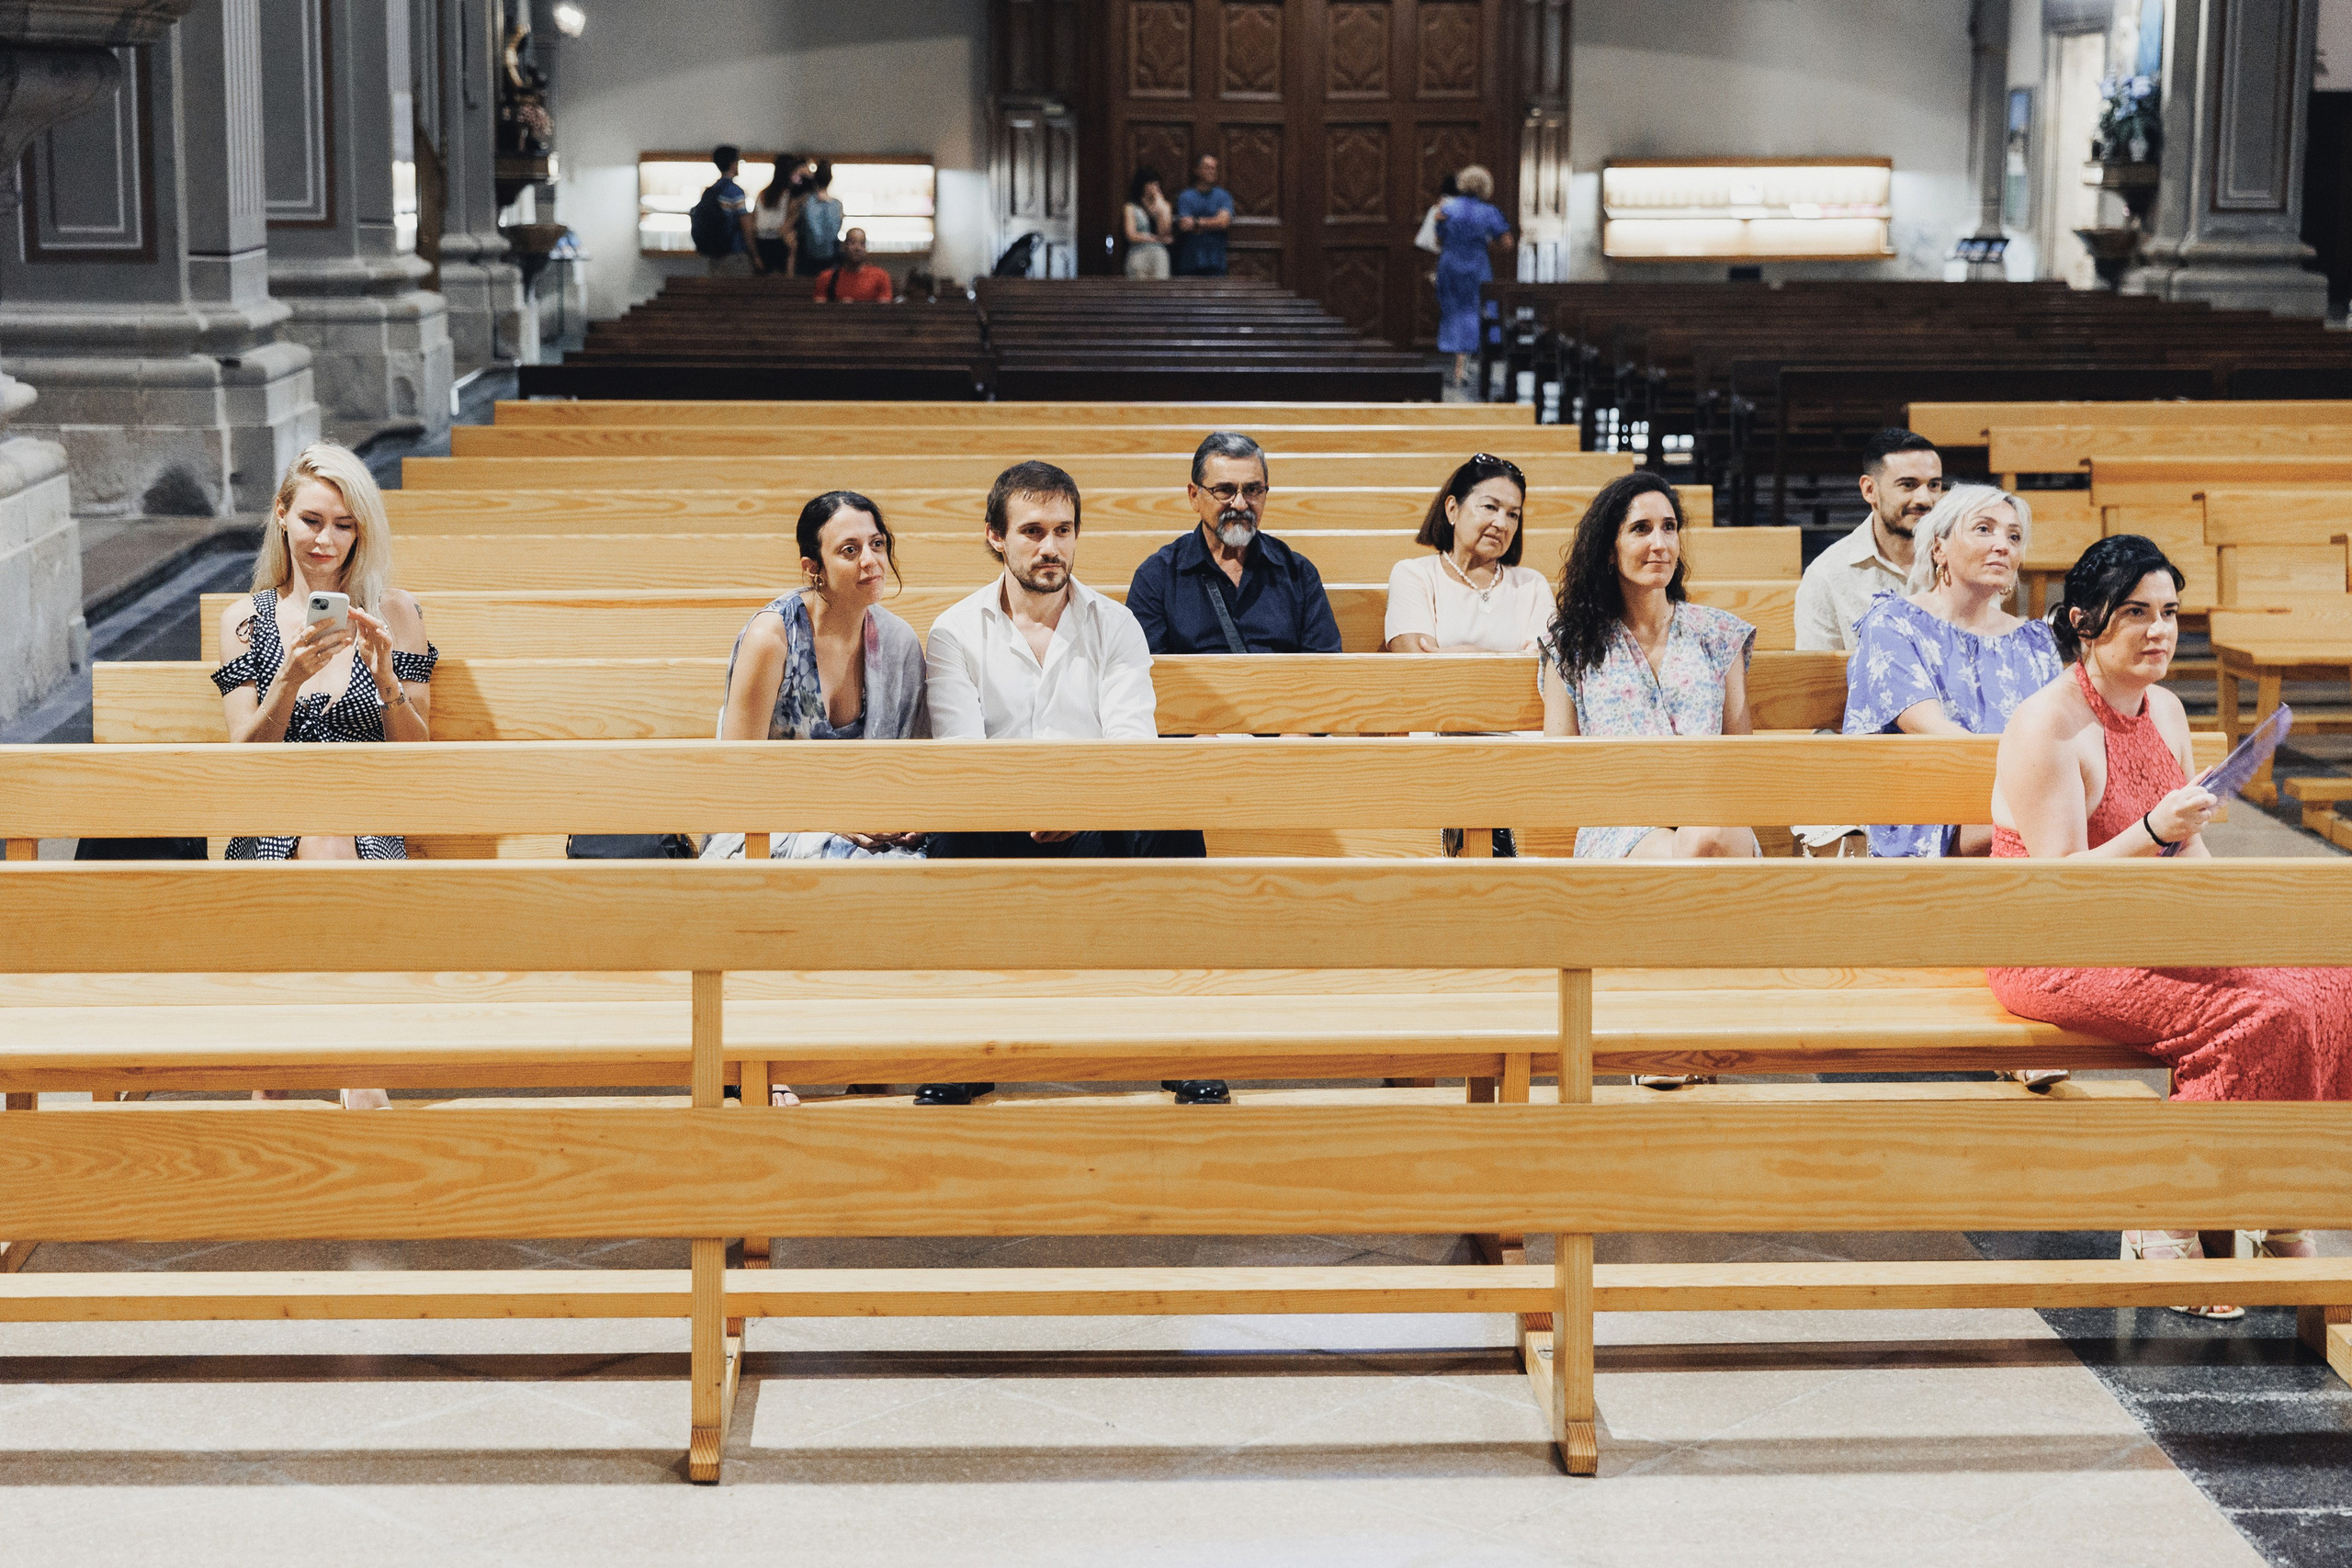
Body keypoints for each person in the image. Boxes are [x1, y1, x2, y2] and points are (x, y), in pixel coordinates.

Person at [1985, 534, 2352, 1307]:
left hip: (2154, 928)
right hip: (2055, 949)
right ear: (2084, 622)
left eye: (2169, 612)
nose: (2158, 630)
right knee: (2260, 1012)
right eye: (2135, 613)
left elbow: (2187, 850)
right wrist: (2152, 828)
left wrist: (2243, 927)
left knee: (2328, 982)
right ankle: (2167, 1209)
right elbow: (2054, 887)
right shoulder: (2045, 725)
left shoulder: (2168, 708)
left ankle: (2276, 1193)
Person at [924, 461, 1221, 1108]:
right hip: (995, 820)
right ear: (995, 536)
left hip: (1097, 811)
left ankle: (1184, 1046)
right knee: (949, 835)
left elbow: (1130, 743)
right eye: (1032, 530)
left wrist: (1076, 801)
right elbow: (962, 756)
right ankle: (960, 1049)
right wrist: (1028, 803)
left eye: (1063, 530)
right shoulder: (955, 629)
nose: (1051, 547)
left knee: (1173, 823)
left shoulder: (1114, 625)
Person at [213, 443, 435, 1113]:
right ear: (281, 517)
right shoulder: (246, 621)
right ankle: (357, 1066)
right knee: (317, 841)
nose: (326, 540)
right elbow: (244, 760)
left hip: (373, 834)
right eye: (312, 520)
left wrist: (390, 679)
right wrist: (289, 678)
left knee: (336, 840)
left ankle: (275, 1077)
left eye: (344, 524)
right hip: (268, 834)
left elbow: (422, 760)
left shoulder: (396, 614)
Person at [702, 491, 928, 1110]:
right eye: (849, 550)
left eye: (877, 544)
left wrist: (897, 817)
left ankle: (869, 1060)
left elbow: (910, 762)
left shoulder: (901, 643)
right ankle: (762, 1060)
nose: (870, 561)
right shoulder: (772, 637)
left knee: (913, 878)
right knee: (799, 875)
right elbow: (732, 775)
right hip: (762, 824)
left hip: (868, 830)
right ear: (813, 568)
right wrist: (828, 815)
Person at [1540, 471, 1759, 861]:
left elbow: (1738, 759)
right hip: (1620, 825)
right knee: (1697, 845)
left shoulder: (1718, 633)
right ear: (1610, 549)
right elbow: (1562, 769)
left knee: (1704, 836)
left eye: (1669, 528)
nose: (1659, 544)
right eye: (1641, 529)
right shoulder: (1572, 644)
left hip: (1711, 814)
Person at [1842, 484, 2062, 859]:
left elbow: (2061, 733)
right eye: (1983, 529)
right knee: (2054, 828)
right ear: (1938, 547)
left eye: (2014, 536)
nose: (2003, 545)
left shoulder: (2035, 641)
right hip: (1931, 809)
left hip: (2021, 802)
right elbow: (1933, 729)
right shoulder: (1894, 623)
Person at [1125, 432, 1340, 655]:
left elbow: (1326, 669)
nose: (1239, 504)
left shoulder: (1299, 573)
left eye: (1252, 490)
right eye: (1224, 490)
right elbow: (1144, 675)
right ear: (1194, 496)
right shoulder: (1156, 577)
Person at [1385, 454, 1551, 654]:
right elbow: (1418, 665)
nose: (1502, 524)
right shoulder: (1414, 575)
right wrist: (1508, 658)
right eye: (1490, 507)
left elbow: (1544, 670)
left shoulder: (1532, 585)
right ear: (1452, 509)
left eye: (1512, 515)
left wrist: (1471, 653)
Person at [1796, 429, 1944, 653]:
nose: (1925, 499)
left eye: (1933, 485)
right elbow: (1819, 679)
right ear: (1869, 490)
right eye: (1908, 485)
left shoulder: (1964, 561)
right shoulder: (1826, 575)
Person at [1434, 164, 1513, 389]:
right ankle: (1463, 364)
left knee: (1452, 309)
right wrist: (1484, 245)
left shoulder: (1447, 209)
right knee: (1472, 310)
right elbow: (1506, 242)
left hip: (1450, 263)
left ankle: (1455, 359)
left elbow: (1439, 237)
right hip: (1477, 265)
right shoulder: (1489, 212)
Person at [1171, 153, 1234, 276]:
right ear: (1197, 171)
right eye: (1207, 168)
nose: (1211, 171)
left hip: (1216, 261)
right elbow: (1184, 225)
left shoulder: (1223, 196)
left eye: (1214, 168)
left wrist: (1196, 223)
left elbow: (1223, 222)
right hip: (1191, 261)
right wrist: (1212, 223)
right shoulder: (1186, 197)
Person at [702, 144, 756, 276]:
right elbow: (745, 225)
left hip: (715, 254)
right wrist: (755, 254)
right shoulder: (734, 191)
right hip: (734, 253)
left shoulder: (711, 191)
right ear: (732, 164)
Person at [812, 228, 893, 302]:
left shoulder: (880, 276)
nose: (857, 248)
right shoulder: (827, 277)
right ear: (844, 246)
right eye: (853, 243)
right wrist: (840, 307)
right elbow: (820, 309)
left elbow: (884, 309)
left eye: (862, 244)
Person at [753, 159, 806, 276]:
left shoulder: (763, 193)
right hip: (780, 243)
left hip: (761, 242)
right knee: (782, 285)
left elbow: (754, 223)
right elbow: (787, 225)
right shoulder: (789, 196)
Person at [794, 161, 842, 278]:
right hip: (830, 257)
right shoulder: (837, 205)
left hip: (807, 256)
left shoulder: (805, 201)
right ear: (830, 180)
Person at [1124, 166, 1173, 278]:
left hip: (1159, 254)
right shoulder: (1131, 207)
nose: (1154, 187)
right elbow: (1131, 235)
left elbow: (1164, 232)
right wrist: (1154, 239)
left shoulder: (1165, 206)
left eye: (1156, 184)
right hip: (1138, 253)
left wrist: (1161, 206)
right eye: (1151, 183)